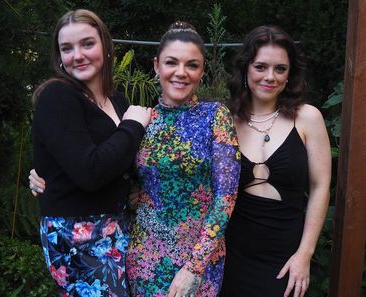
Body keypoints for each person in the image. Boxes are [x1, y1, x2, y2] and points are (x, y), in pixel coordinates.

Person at [30, 9, 151, 296]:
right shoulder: (57, 97)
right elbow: (90, 171)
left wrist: (136, 187)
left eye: (87, 44)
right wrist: (133, 125)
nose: (78, 55)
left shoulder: (118, 102)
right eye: (67, 48)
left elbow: (123, 161)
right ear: (59, 57)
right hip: (76, 234)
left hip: (116, 227)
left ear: (106, 47)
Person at [125, 21, 241, 297]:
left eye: (192, 65)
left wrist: (194, 267)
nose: (181, 73)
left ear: (201, 71)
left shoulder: (216, 116)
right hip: (145, 257)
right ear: (156, 66)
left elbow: (226, 195)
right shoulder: (140, 119)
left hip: (200, 259)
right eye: (171, 62)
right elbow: (103, 168)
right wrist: (47, 178)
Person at [220, 25, 331, 297]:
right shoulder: (225, 121)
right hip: (231, 257)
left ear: (289, 73)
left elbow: (320, 187)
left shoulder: (307, 118)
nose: (270, 77)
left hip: (285, 259)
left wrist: (305, 254)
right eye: (261, 67)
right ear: (246, 69)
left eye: (280, 69)